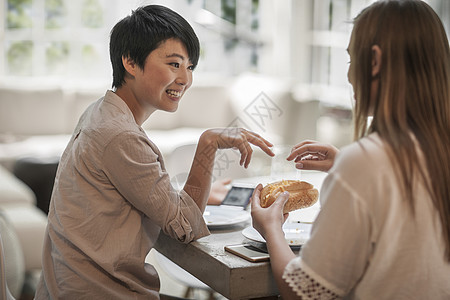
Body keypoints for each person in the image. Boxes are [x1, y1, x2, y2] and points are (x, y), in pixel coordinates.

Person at [35, 5, 274, 299]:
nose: (185, 79)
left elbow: (131, 190)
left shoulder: (101, 112)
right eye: (174, 64)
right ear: (131, 62)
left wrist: (182, 193)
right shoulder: (121, 136)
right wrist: (208, 145)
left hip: (66, 285)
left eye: (189, 67)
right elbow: (185, 226)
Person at [251, 0, 450, 299]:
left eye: (350, 60)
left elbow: (301, 294)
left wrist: (271, 229)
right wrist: (346, 163)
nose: (348, 76)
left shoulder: (365, 164)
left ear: (374, 61)